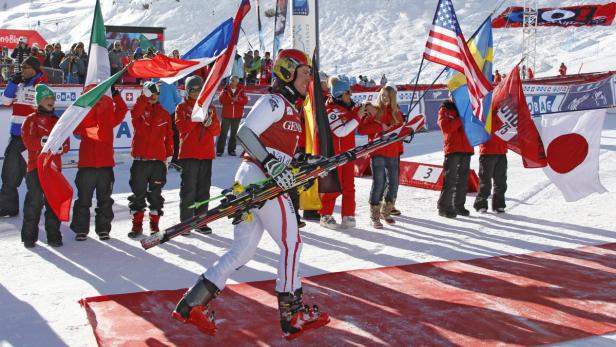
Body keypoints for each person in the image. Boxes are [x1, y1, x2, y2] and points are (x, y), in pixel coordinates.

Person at [172, 49, 329, 340]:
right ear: (287, 71)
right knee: (292, 243)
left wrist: (300, 167)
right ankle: (292, 314)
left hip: (256, 178)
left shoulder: (292, 108)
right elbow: (245, 133)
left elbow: (277, 150)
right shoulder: (274, 101)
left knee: (243, 251)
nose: (310, 77)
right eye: (305, 71)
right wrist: (272, 164)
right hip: (259, 178)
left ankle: (192, 304)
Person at [71, 84, 128, 241]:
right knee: (83, 199)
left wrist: (116, 95)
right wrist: (86, 105)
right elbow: (74, 127)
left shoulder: (108, 117)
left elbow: (122, 110)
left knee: (105, 200)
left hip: (105, 165)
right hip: (87, 166)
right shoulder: (82, 117)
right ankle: (81, 229)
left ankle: (103, 229)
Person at [20, 84, 69, 248]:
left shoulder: (58, 121)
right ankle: (29, 237)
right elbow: (28, 142)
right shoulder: (30, 120)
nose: (51, 101)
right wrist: (44, 143)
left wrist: (61, 147)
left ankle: (54, 236)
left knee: (53, 204)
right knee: (34, 203)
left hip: (53, 170)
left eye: (52, 98)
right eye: (47, 98)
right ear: (39, 100)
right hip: (35, 169)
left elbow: (66, 143)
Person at [0, 56, 46, 217]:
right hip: (16, 136)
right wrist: (12, 83)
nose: (22, 70)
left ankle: (38, 208)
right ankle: (7, 207)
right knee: (9, 173)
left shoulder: (40, 85)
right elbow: (5, 101)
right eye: (22, 67)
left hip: (32, 139)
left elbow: (45, 110)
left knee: (33, 177)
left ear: (34, 69)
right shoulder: (19, 84)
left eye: (26, 67)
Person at [127, 82, 173, 238]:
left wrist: (169, 155)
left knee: (155, 195)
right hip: (140, 161)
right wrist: (144, 96)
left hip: (157, 162)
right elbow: (134, 112)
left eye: (155, 94)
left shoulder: (165, 114)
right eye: (150, 94)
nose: (153, 97)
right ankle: (137, 225)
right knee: (138, 194)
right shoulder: (139, 112)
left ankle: (154, 225)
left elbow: (169, 137)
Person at [175, 76, 221, 235]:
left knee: (203, 190)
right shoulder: (181, 107)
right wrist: (197, 117)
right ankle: (186, 222)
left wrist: (210, 123)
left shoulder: (211, 108)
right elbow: (182, 127)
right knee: (188, 189)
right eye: (192, 90)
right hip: (189, 154)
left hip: (206, 154)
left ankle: (201, 221)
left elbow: (217, 131)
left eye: (198, 90)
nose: (195, 93)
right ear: (187, 91)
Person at [318, 76, 364, 230]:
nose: (350, 95)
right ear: (339, 94)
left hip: (349, 154)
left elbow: (360, 113)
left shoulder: (349, 106)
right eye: (348, 92)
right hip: (335, 156)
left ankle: (348, 215)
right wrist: (358, 117)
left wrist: (365, 110)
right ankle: (325, 215)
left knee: (349, 186)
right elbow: (341, 132)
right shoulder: (330, 110)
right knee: (333, 187)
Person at [358, 86, 404, 228]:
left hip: (393, 152)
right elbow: (362, 129)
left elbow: (401, 131)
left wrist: (403, 130)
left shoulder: (397, 113)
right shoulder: (374, 110)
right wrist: (380, 128)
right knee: (379, 182)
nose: (384, 98)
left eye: (388, 96)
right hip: (377, 150)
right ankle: (374, 216)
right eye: (383, 95)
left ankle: (386, 211)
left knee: (394, 184)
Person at [436, 96, 473, 218]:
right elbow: (446, 128)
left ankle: (458, 206)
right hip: (452, 149)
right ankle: (444, 207)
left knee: (462, 180)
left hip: (466, 148)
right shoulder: (445, 109)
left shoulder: (469, 108)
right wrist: (461, 119)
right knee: (450, 180)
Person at [473, 135, 507, 213]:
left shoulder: (504, 121)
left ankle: (499, 205)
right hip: (487, 152)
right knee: (485, 181)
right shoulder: (485, 121)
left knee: (501, 181)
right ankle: (480, 204)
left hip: (501, 151)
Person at [217, 75, 248, 156]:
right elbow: (221, 100)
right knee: (223, 133)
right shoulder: (225, 89)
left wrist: (238, 99)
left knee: (234, 134)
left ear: (237, 82)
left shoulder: (241, 89)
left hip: (237, 115)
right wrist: (231, 99)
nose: (230, 82)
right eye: (230, 80)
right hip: (226, 115)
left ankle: (232, 150)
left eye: (233, 80)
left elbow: (245, 101)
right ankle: (219, 150)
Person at [156, 79, 182, 169]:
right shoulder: (170, 82)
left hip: (159, 114)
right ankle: (175, 159)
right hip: (170, 113)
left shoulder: (154, 82)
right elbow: (178, 99)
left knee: (160, 138)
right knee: (174, 137)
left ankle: (162, 159)